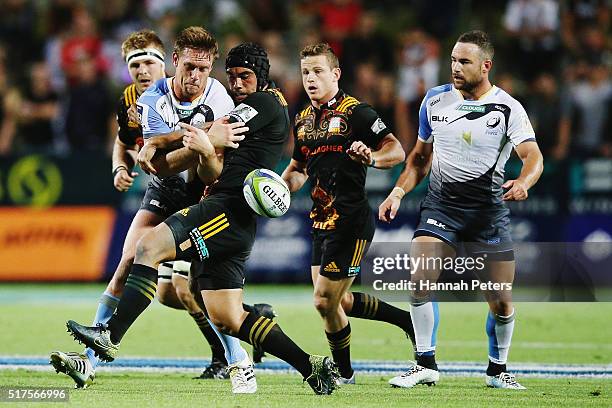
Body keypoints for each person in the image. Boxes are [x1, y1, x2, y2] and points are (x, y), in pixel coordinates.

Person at [65, 42, 341, 395]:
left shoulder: (264, 103)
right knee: (228, 315)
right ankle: (311, 368)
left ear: (261, 76)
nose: (238, 84)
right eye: (233, 77)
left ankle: (109, 336)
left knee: (148, 248)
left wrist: (161, 140)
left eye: (245, 76)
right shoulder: (260, 105)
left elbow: (211, 130)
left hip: (224, 210)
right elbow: (208, 141)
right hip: (236, 219)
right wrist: (188, 143)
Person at [50, 28, 260, 390]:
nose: (195, 77)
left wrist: (187, 140)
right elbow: (158, 165)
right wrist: (199, 138)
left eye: (203, 70)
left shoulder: (221, 97)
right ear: (176, 63)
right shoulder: (145, 101)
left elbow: (211, 165)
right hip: (165, 188)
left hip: (206, 193)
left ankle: (240, 355)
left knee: (196, 287)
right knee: (128, 260)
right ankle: (89, 362)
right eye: (190, 67)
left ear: (163, 61)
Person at [378, 30, 543, 390]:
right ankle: (425, 364)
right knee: (419, 278)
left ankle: (498, 371)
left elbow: (533, 156)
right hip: (441, 206)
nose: (455, 67)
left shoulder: (508, 107)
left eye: (464, 61)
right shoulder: (434, 101)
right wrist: (397, 193)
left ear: (486, 66)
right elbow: (419, 159)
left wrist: (524, 182)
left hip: (487, 213)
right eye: (453, 59)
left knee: (501, 300)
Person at [281, 42, 414, 385]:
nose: (311, 78)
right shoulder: (303, 120)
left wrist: (370, 157)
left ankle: (345, 373)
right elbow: (298, 168)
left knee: (324, 300)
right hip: (320, 221)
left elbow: (396, 151)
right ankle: (406, 321)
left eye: (318, 71)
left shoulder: (357, 112)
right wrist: (278, 188)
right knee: (336, 301)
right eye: (306, 72)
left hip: (351, 221)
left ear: (335, 74)